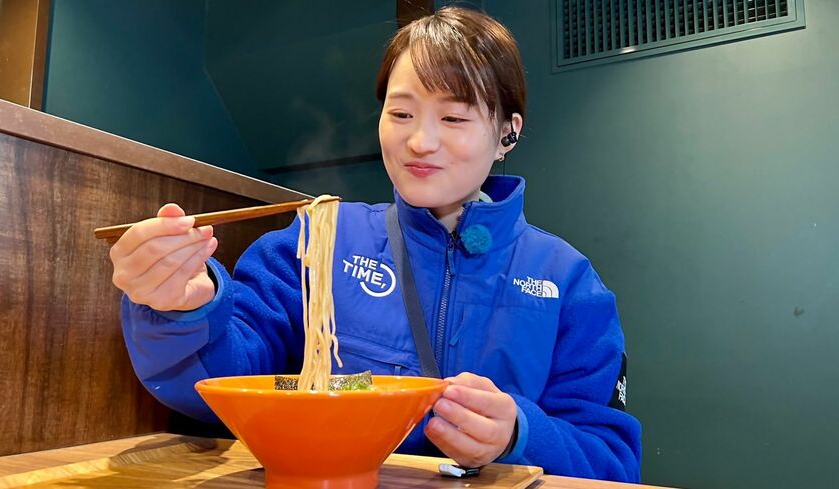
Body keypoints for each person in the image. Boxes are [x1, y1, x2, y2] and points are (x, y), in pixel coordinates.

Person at [109, 6, 641, 482]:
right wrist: (184, 306)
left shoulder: (568, 282)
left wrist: (519, 434)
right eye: (401, 112)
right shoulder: (319, 238)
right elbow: (227, 386)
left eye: (453, 117)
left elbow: (611, 461)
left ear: (507, 132)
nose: (419, 142)